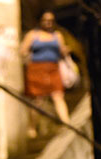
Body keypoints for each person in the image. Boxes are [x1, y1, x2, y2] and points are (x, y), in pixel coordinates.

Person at [20, 10, 71, 138]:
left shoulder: (57, 35)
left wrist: (65, 51)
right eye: (45, 20)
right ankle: (32, 127)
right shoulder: (32, 35)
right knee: (37, 100)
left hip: (53, 68)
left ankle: (67, 123)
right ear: (40, 21)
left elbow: (61, 50)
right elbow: (22, 51)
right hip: (37, 69)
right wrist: (27, 54)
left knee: (58, 95)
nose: (48, 23)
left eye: (51, 20)